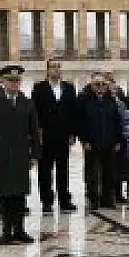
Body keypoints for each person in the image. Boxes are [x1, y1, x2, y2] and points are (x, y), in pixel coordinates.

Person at [0, 65, 40, 244]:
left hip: (22, 154)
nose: (14, 84)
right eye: (11, 80)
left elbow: (34, 131)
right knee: (5, 194)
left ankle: (20, 230)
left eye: (17, 81)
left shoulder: (27, 102)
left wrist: (34, 154)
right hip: (1, 154)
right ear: (3, 82)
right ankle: (6, 231)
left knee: (20, 193)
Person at [31, 58, 79, 213]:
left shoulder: (69, 88)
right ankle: (47, 201)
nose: (56, 70)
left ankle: (64, 200)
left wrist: (73, 133)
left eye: (58, 67)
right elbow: (35, 112)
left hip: (63, 135)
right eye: (53, 67)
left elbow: (73, 112)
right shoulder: (39, 88)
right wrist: (37, 132)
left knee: (63, 168)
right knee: (45, 170)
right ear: (47, 70)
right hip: (45, 135)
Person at [77, 72, 125, 210]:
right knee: (92, 173)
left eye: (103, 84)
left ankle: (107, 199)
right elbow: (81, 123)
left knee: (109, 173)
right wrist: (84, 140)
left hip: (109, 142)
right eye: (97, 84)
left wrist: (117, 140)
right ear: (91, 85)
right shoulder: (84, 100)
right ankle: (92, 198)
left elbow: (117, 122)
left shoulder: (111, 100)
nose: (100, 87)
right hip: (91, 143)